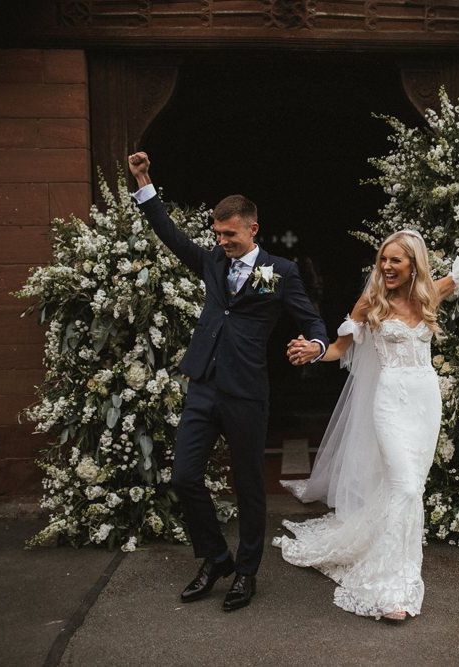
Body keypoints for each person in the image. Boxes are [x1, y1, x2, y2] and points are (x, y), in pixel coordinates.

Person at [277, 203, 459, 621]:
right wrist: (315, 350)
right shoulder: (370, 304)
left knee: (410, 486)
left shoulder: (431, 295)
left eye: (394, 259)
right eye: (383, 259)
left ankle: (387, 557)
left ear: (413, 264)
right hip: (389, 401)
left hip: (424, 400)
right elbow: (341, 349)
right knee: (404, 485)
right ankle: (394, 587)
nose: (386, 266)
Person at [127, 152, 329, 611]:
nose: (222, 242)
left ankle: (246, 571)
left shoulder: (280, 272)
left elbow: (312, 321)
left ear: (252, 229)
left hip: (246, 391)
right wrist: (144, 182)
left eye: (230, 234)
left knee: (248, 484)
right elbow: (169, 234)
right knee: (184, 476)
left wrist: (315, 348)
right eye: (217, 235)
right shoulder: (213, 263)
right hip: (203, 384)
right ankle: (216, 557)